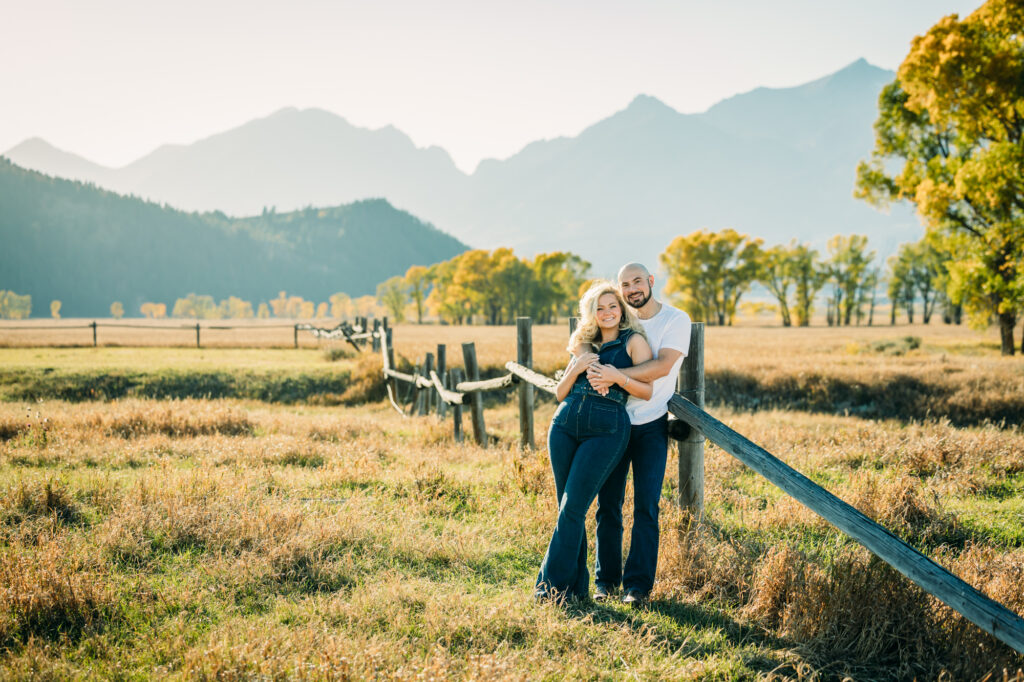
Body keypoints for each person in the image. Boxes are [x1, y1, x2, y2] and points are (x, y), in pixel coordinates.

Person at [535, 280, 654, 603]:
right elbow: (559, 393)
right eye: (599, 308)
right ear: (591, 313)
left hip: (606, 427)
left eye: (612, 306)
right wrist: (576, 367)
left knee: (574, 508)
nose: (607, 312)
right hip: (564, 423)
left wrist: (618, 378)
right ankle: (575, 588)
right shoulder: (583, 343)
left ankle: (549, 590)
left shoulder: (634, 343)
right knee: (566, 509)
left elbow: (647, 391)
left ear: (621, 309)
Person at [587, 262, 692, 606]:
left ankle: (637, 588)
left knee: (647, 506)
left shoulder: (675, 320)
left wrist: (616, 375)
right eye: (624, 285)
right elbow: (587, 345)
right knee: (608, 506)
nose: (632, 289)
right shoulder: (620, 320)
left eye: (637, 281)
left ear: (650, 281)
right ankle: (605, 582)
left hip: (651, 424)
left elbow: (663, 367)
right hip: (612, 425)